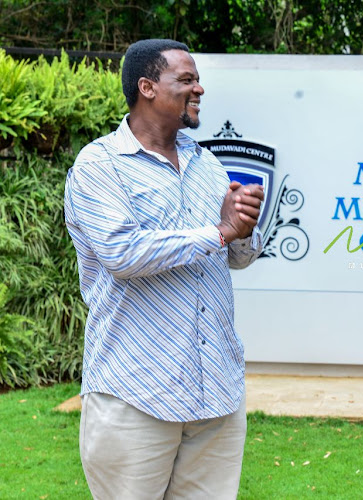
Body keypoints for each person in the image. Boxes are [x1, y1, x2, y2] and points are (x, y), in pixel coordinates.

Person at [64, 39, 264, 499]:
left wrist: (243, 228)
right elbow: (124, 254)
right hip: (136, 393)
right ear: (147, 87)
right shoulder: (99, 166)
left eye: (198, 79)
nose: (199, 89)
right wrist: (218, 231)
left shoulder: (207, 163)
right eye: (187, 79)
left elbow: (236, 256)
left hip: (216, 393)